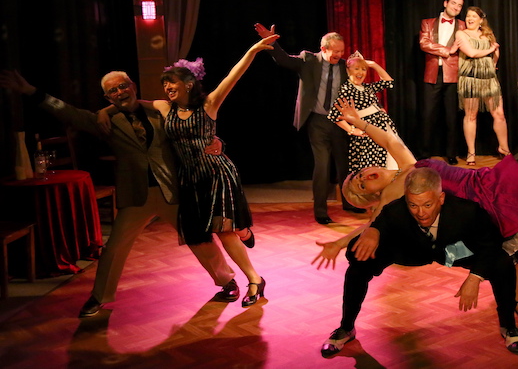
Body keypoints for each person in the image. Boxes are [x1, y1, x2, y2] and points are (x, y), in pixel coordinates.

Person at [314, 90, 518, 330]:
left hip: (485, 182)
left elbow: (390, 139)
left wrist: (359, 123)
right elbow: (372, 228)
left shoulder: (405, 167)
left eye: (362, 173)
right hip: (483, 204)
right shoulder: (393, 198)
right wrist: (340, 243)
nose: (367, 176)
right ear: (370, 198)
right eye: (363, 186)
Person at [0, 70, 240, 317]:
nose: (119, 92)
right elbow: (67, 111)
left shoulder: (160, 110)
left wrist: (218, 140)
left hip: (172, 191)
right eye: (112, 91)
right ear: (107, 97)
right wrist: (31, 91)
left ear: (132, 86)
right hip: (136, 196)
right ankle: (99, 296)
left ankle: (227, 281)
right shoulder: (105, 121)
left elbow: (194, 124)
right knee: (114, 249)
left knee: (199, 238)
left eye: (122, 86)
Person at [126, 36, 277, 307]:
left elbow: (234, 75)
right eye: (164, 84)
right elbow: (132, 105)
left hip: (216, 174)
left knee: (223, 231)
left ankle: (254, 279)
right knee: (204, 233)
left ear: (188, 84)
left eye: (172, 82)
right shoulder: (164, 108)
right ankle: (244, 231)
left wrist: (253, 50)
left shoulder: (209, 104)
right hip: (190, 181)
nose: (167, 87)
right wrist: (104, 111)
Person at [322, 166, 518, 356]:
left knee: (502, 263)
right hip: (413, 251)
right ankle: (346, 328)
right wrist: (372, 231)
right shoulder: (394, 210)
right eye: (413, 205)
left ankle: (508, 325)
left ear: (441, 198)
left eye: (427, 205)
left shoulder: (468, 211)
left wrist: (475, 277)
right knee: (359, 265)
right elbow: (355, 251)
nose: (420, 213)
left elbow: (490, 245)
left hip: (452, 252)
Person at [253, 24, 363, 223]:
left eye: (341, 50)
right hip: (318, 121)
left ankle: (349, 203)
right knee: (322, 166)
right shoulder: (309, 60)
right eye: (335, 51)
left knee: (344, 165)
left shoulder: (345, 66)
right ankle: (321, 212)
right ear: (323, 49)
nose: (339, 54)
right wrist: (272, 43)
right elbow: (283, 60)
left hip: (340, 122)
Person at [454, 6, 510, 165]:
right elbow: (471, 53)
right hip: (471, 80)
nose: (469, 19)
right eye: (468, 16)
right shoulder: (461, 34)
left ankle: (504, 148)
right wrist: (491, 48)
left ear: (480, 20)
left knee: (499, 114)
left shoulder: (487, 34)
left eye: (473, 16)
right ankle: (471, 152)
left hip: (489, 79)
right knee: (471, 115)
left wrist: (492, 63)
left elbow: (496, 55)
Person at [327, 51, 397, 174]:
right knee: (372, 170)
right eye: (357, 68)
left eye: (364, 69)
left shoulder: (366, 87)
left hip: (382, 130)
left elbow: (388, 81)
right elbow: (335, 115)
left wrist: (374, 65)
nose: (360, 72)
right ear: (348, 71)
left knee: (387, 167)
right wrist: (352, 131)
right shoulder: (346, 89)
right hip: (368, 135)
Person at [419, 0, 466, 164]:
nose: (456, 7)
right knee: (427, 115)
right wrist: (449, 50)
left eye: (459, 5)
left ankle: (451, 153)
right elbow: (424, 43)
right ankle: (424, 152)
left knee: (451, 117)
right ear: (446, 3)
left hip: (454, 74)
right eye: (454, 3)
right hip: (432, 74)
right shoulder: (427, 23)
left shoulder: (462, 25)